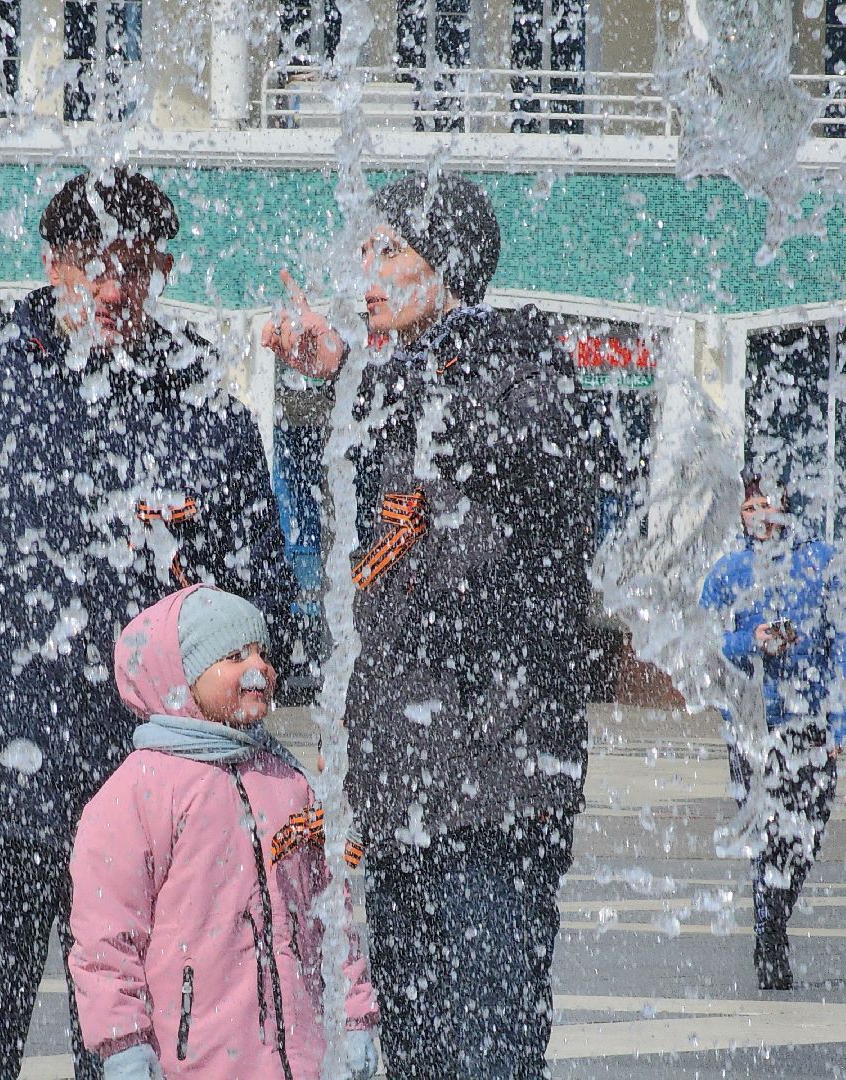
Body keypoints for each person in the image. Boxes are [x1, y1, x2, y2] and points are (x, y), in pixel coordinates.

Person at [0, 169, 292, 1079]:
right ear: (52, 265)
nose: (114, 291)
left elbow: (262, 601)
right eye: (92, 266)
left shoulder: (207, 415)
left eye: (131, 265)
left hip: (160, 812)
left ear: (160, 267)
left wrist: (219, 674)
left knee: (140, 1059)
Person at [263, 172, 599, 1077]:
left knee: (488, 1052)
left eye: (391, 252)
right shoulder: (389, 397)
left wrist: (361, 376)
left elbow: (513, 476)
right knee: (417, 1059)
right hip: (404, 793)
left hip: (497, 789)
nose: (366, 274)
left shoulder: (525, 372)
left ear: (448, 269)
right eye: (364, 252)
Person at [70, 585, 379, 1080]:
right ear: (180, 678)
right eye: (234, 657)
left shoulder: (288, 781)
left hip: (302, 1061)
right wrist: (123, 1043)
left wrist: (354, 1016)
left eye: (262, 653)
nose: (258, 670)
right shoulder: (139, 792)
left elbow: (331, 914)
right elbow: (107, 939)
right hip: (195, 1063)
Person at [700, 474, 843, 990]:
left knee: (806, 833)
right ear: (741, 515)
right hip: (753, 727)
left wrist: (839, 720)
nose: (761, 514)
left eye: (769, 504)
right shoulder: (727, 572)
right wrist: (749, 640)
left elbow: (842, 642)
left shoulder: (822, 560)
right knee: (767, 834)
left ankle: (775, 917)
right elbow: (703, 645)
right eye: (751, 506)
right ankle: (769, 932)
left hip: (809, 723)